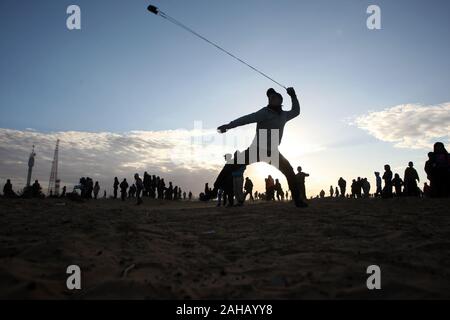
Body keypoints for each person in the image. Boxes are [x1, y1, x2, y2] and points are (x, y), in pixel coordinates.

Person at [213, 87, 307, 207]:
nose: (272, 99)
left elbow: (296, 111)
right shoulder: (264, 112)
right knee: (230, 165)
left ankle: (298, 200)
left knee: (289, 171)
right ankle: (213, 192)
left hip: (272, 152)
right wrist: (228, 126)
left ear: (280, 100)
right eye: (270, 98)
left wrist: (293, 96)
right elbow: (246, 119)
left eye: (275, 97)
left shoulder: (284, 115)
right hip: (256, 149)